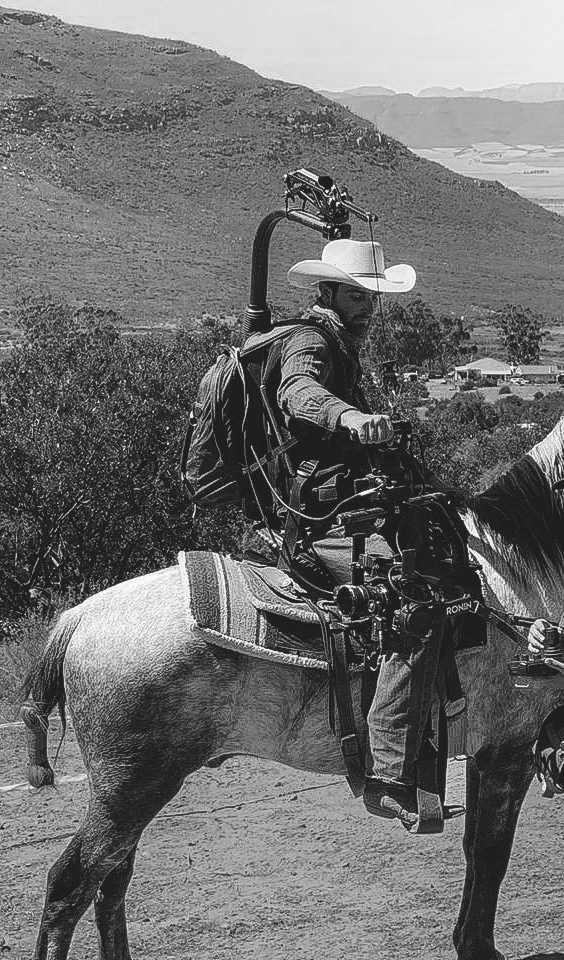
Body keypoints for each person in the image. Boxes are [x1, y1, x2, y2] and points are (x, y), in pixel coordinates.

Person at [274, 237, 440, 826]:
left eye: (373, 295)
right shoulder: (310, 341)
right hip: (328, 519)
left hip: (352, 506)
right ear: (328, 292)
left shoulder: (342, 342)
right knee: (413, 603)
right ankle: (388, 767)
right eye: (357, 294)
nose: (368, 305)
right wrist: (349, 416)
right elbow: (298, 394)